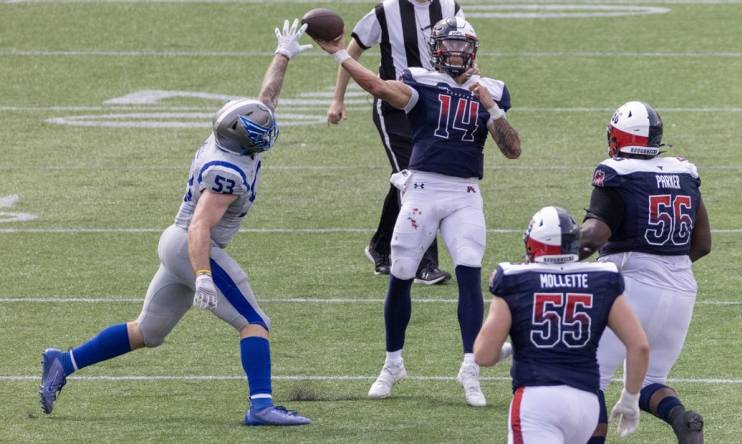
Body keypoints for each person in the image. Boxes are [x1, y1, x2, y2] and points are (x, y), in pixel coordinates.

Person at [38, 19, 314, 426]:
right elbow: (202, 226)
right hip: (191, 245)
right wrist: (203, 273)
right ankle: (261, 407)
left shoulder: (231, 138)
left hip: (176, 241)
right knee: (254, 322)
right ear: (244, 138)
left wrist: (283, 54)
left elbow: (265, 99)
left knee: (147, 332)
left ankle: (64, 361)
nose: (268, 130)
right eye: (261, 132)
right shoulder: (227, 172)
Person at [315, 17, 521, 407]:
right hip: (422, 189)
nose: (457, 53)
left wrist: (492, 109)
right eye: (451, 45)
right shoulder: (420, 80)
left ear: (473, 50)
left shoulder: (492, 89)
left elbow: (512, 150)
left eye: (464, 46)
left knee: (468, 269)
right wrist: (341, 52)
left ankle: (470, 369)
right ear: (438, 49)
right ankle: (392, 363)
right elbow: (377, 86)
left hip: (465, 193)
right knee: (402, 271)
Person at [579, 101, 712, 443]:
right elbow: (703, 244)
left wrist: (558, 257)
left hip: (631, 285)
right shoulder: (684, 172)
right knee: (649, 380)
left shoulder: (617, 171)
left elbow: (595, 235)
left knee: (589, 375)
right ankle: (681, 419)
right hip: (681, 289)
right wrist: (665, 267)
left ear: (618, 137)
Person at [474, 206, 650, 444]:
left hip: (538, 401)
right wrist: (630, 397)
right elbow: (639, 346)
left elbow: (483, 355)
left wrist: (506, 350)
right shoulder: (602, 279)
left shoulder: (514, 280)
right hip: (586, 403)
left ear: (532, 244)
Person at [327, 0, 464, 284]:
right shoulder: (385, 11)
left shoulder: (451, 7)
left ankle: (380, 247)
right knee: (417, 177)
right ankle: (425, 264)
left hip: (432, 106)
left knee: (404, 177)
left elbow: (464, 51)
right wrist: (337, 99)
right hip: (394, 106)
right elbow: (350, 53)